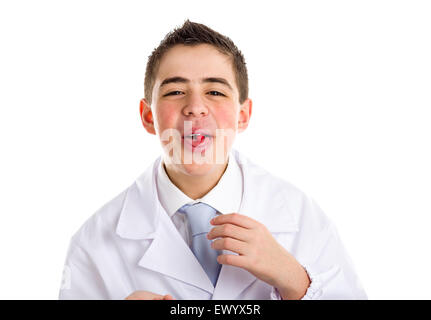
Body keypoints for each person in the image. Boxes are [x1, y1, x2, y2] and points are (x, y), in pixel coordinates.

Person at [58, 20, 367, 300]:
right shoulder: (93, 243)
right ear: (148, 116)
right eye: (176, 91)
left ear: (243, 115)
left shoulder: (301, 218)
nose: (195, 108)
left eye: (215, 92)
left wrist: (295, 281)